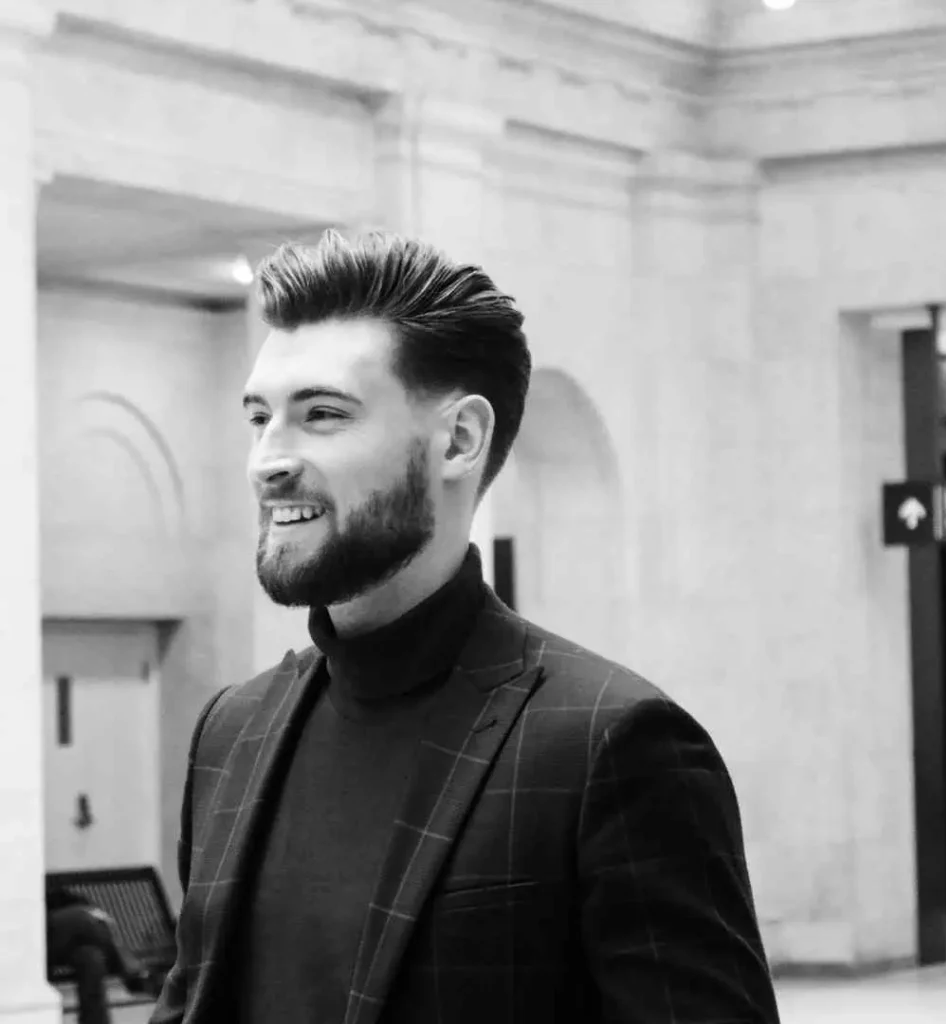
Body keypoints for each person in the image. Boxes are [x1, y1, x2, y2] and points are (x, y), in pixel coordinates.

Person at [151, 230, 780, 1024]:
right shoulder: (230, 732)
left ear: (459, 439)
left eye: (321, 414)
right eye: (259, 417)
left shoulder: (610, 745)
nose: (268, 461)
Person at [47, 885, 161, 1024]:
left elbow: (58, 895)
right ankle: (137, 976)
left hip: (60, 938)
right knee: (85, 918)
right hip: (33, 938)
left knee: (91, 957)